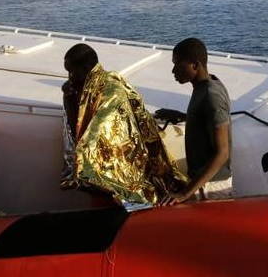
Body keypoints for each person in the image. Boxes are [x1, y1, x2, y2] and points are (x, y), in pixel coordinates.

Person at [61, 43, 186, 206]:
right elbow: (76, 128)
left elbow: (95, 134)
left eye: (71, 71)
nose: (69, 77)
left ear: (86, 68)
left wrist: (82, 161)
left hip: (120, 177)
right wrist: (69, 98)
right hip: (102, 181)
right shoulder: (88, 90)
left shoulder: (111, 91)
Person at [155, 37, 233, 205]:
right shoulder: (204, 86)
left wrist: (185, 193)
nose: (173, 71)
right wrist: (181, 116)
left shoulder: (212, 96)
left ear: (195, 66)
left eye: (177, 64)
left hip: (212, 187)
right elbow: (207, 119)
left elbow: (222, 153)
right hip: (203, 183)